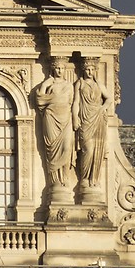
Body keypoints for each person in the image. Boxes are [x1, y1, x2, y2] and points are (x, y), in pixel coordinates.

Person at [30, 60, 76, 199]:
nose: (60, 70)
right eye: (57, 68)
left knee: (67, 149)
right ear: (53, 69)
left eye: (62, 68)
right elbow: (40, 99)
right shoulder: (49, 84)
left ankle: (65, 181)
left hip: (66, 120)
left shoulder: (70, 86)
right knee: (52, 152)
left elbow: (72, 103)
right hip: (50, 117)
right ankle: (55, 182)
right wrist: (45, 84)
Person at [71, 53, 112, 199]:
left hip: (97, 118)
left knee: (96, 151)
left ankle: (93, 180)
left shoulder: (99, 85)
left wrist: (102, 108)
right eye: (87, 69)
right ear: (83, 70)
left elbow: (108, 99)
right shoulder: (79, 84)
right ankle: (84, 179)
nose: (89, 72)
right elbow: (75, 102)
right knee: (87, 149)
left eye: (91, 69)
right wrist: (75, 118)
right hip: (84, 119)